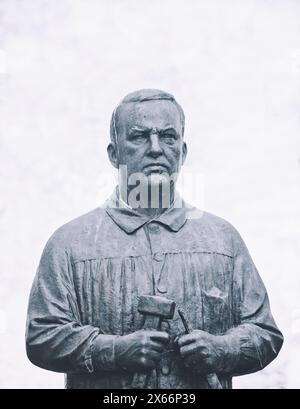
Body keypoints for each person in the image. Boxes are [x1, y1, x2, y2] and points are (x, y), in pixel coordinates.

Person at [25, 89, 283, 389]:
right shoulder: (69, 243)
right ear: (114, 153)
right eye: (139, 136)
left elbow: (265, 334)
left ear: (182, 152)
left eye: (168, 136)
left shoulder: (224, 240)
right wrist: (114, 350)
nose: (156, 148)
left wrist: (223, 349)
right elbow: (42, 337)